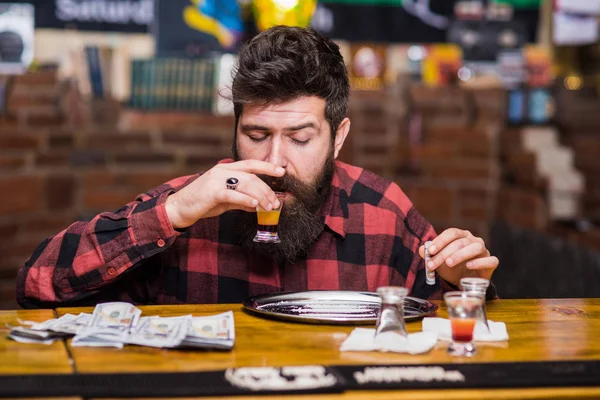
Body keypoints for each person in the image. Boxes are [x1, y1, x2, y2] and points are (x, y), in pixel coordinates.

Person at [16, 26, 498, 308]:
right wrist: (174, 212)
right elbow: (36, 285)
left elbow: (463, 334)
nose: (274, 162)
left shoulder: (383, 211)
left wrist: (466, 282)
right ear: (235, 129)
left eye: (301, 138)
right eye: (257, 135)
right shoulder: (190, 205)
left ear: (339, 138)